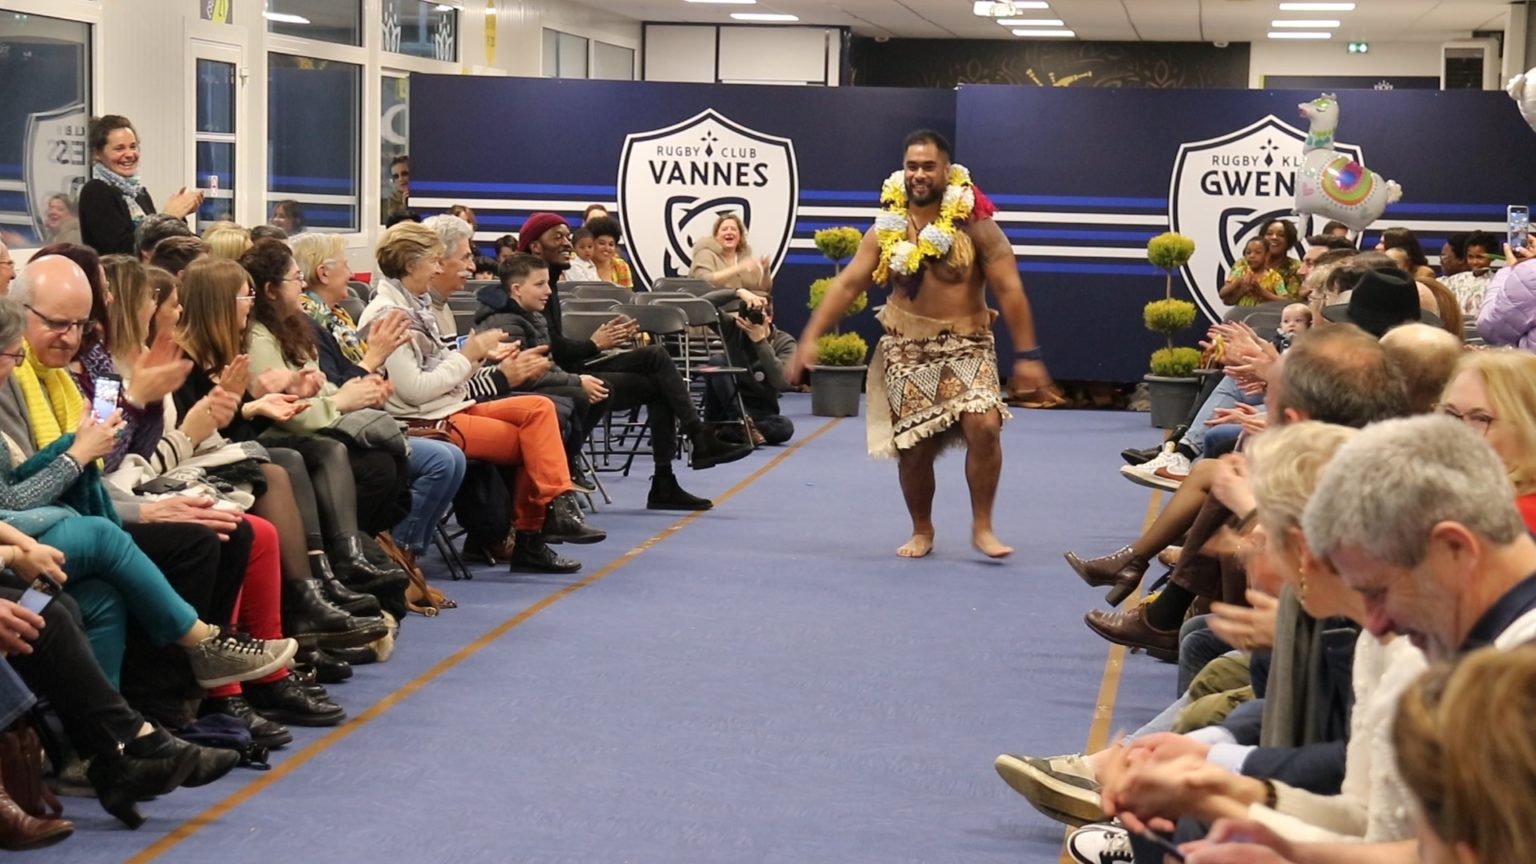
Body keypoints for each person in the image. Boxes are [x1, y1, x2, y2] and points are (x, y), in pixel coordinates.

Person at [787, 129, 1051, 559]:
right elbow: (849, 283)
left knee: (985, 425)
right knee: (913, 450)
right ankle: (922, 529)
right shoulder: (886, 229)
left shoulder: (976, 225)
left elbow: (1010, 289)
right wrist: (810, 336)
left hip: (968, 342)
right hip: (906, 347)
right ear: (903, 170)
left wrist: (1028, 355)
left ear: (947, 170)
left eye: (929, 166)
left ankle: (983, 526)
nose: (919, 174)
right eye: (912, 166)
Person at [359, 221, 601, 572]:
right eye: (434, 261)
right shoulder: (391, 315)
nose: (439, 269)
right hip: (423, 419)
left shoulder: (420, 305)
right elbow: (413, 391)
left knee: (540, 408)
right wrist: (469, 357)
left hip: (449, 405)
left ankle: (554, 508)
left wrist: (480, 361)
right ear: (411, 265)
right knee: (536, 440)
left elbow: (447, 375)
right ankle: (534, 532)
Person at [514, 212, 755, 511]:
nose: (567, 242)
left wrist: (598, 344)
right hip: (560, 379)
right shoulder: (529, 287)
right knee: (660, 382)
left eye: (567, 236)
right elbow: (552, 350)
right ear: (535, 247)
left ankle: (676, 466)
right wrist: (595, 343)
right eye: (558, 237)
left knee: (656, 358)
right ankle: (693, 446)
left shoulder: (548, 282)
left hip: (572, 367)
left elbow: (558, 347)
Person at [291, 231, 468, 569]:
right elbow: (338, 389)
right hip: (348, 426)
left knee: (453, 456)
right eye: (345, 265)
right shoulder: (313, 325)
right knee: (440, 460)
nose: (352, 273)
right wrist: (373, 362)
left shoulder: (338, 318)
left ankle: (406, 555)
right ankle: (393, 555)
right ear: (324, 273)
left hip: (374, 417)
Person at [78, 115, 202, 257]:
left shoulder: (140, 194)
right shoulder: (96, 191)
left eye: (133, 146)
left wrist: (179, 216)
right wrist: (168, 217)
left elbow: (160, 245)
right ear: (97, 153)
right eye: (119, 149)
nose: (130, 154)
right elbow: (121, 251)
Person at [690, 213, 771, 307]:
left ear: (740, 236)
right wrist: (738, 268)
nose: (729, 232)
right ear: (716, 236)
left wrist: (765, 271)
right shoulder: (705, 254)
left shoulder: (745, 258)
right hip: (717, 309)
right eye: (724, 229)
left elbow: (763, 289)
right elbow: (704, 282)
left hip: (748, 309)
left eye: (733, 229)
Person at [1220, 220, 1301, 306]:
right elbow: (1227, 300)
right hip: (1241, 313)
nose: (1274, 237)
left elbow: (1291, 304)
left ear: (1289, 241)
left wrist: (1261, 292)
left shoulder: (1293, 268)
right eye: (1269, 234)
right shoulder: (1243, 265)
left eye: (1281, 235)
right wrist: (1242, 288)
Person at [585, 216, 633, 288]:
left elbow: (626, 294)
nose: (607, 248)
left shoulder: (621, 266)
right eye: (601, 243)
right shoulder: (578, 264)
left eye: (611, 244)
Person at [383, 155, 409, 223]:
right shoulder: (389, 204)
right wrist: (404, 207)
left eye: (405, 174)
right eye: (396, 176)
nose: (400, 179)